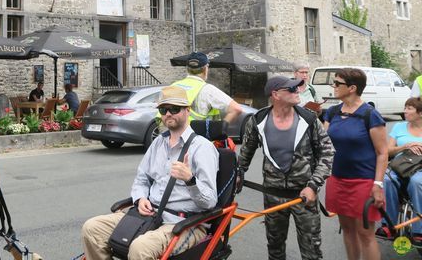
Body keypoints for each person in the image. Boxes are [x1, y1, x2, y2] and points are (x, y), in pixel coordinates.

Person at [81, 85, 219, 260]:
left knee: (140, 248)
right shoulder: (158, 143)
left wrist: (190, 179)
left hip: (184, 223)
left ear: (187, 111)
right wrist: (140, 199)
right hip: (149, 216)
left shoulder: (202, 148)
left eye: (174, 109)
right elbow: (142, 178)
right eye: (163, 109)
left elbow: (210, 202)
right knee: (92, 228)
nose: (168, 114)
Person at [238, 76, 334, 260]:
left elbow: (328, 152)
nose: (297, 91)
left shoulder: (309, 119)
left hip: (304, 197)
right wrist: (236, 177)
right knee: (275, 250)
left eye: (297, 88)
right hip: (272, 197)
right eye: (291, 89)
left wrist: (313, 186)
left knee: (312, 252)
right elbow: (244, 156)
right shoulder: (258, 120)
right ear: (275, 94)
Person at [322, 68, 388, 260]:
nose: (333, 87)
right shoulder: (332, 112)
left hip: (363, 182)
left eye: (337, 83)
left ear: (352, 88)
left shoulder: (370, 115)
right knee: (348, 231)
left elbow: (382, 153)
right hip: (337, 179)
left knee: (365, 234)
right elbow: (323, 143)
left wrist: (378, 184)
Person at [378, 97, 422, 244]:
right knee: (387, 179)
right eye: (405, 107)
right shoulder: (398, 127)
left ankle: (419, 231)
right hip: (401, 165)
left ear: (420, 113)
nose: (405, 111)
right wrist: (405, 146)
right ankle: (388, 225)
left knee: (416, 181)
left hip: (419, 167)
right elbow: (388, 151)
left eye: (409, 108)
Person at [172, 51, 242, 123]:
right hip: (199, 133)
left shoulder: (173, 86)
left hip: (174, 133)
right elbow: (236, 109)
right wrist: (221, 129)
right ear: (206, 69)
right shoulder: (208, 90)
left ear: (187, 69)